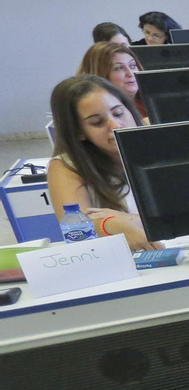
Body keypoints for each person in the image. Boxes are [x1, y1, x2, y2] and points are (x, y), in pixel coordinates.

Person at [45, 76, 158, 250]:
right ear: (78, 132)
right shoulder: (66, 166)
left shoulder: (160, 144)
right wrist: (110, 224)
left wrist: (127, 220)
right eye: (97, 122)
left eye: (118, 113)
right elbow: (77, 227)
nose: (115, 125)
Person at [77, 41, 147, 121]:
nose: (130, 74)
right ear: (101, 74)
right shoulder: (94, 110)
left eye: (132, 66)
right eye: (119, 68)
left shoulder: (148, 102)